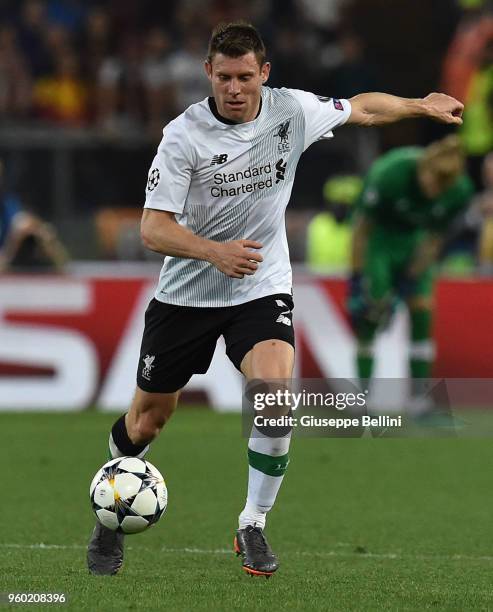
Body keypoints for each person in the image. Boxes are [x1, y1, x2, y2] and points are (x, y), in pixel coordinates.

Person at [87, 21, 465, 578]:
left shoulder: (291, 111)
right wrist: (213, 252)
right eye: (223, 78)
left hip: (260, 286)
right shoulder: (183, 135)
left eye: (245, 77)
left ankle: (253, 524)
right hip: (187, 294)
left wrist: (418, 104)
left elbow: (361, 108)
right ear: (208, 75)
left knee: (274, 397)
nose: (234, 89)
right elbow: (152, 229)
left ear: (264, 73)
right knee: (147, 421)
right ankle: (110, 513)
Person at [348, 136, 474, 402]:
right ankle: (362, 398)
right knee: (372, 313)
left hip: (415, 244)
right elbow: (362, 228)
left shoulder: (460, 191)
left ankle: (419, 399)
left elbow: (433, 239)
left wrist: (409, 278)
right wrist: (358, 278)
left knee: (422, 312)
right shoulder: (390, 172)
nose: (435, 189)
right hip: (380, 242)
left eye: (443, 185)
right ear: (424, 166)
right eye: (433, 179)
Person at [0, 160, 68, 272]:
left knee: (27, 225)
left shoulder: (9, 204)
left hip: (11, 263)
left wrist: (42, 233)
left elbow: (23, 224)